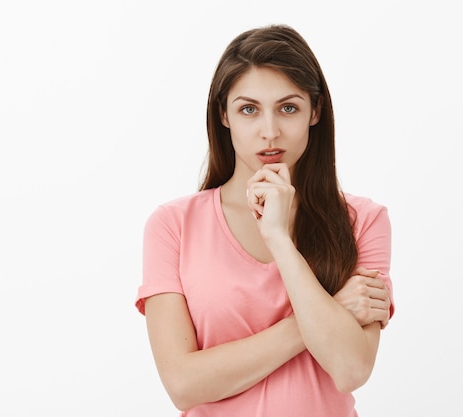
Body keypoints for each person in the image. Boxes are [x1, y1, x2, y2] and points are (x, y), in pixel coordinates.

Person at [134, 24, 394, 417]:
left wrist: (279, 239)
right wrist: (324, 317)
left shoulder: (364, 221)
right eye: (248, 109)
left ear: (315, 111)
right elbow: (182, 384)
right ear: (224, 114)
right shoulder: (173, 225)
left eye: (288, 108)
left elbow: (350, 368)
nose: (269, 132)